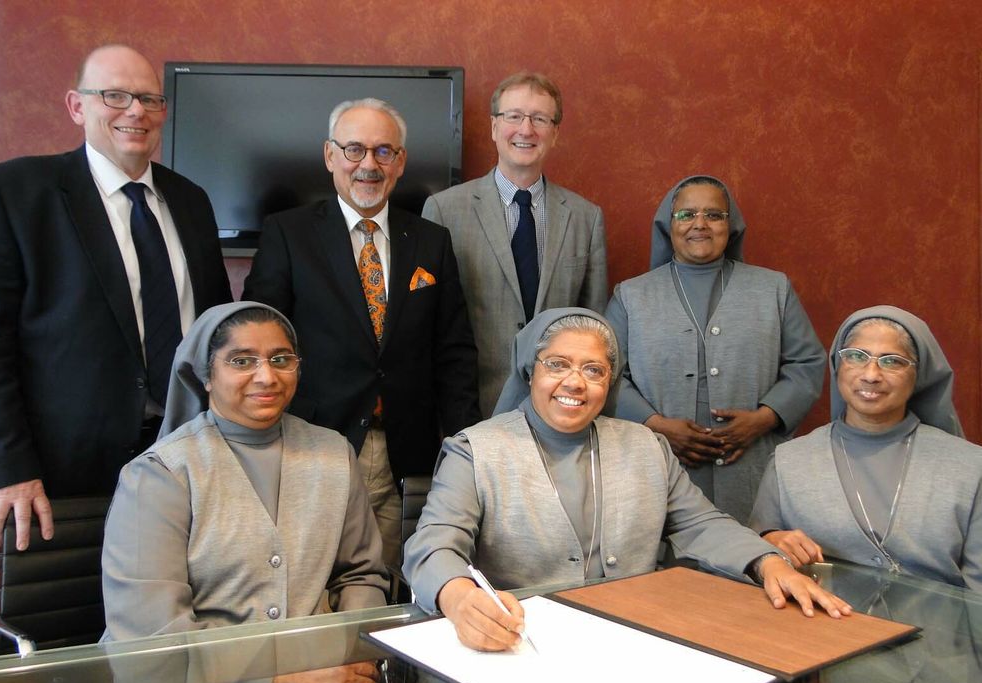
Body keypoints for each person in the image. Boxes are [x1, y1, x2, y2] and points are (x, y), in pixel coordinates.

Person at [403, 308, 849, 653]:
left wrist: (767, 562)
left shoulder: (646, 446)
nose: (575, 383)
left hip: (635, 640)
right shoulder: (475, 449)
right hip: (522, 646)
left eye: (593, 370)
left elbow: (702, 525)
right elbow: (433, 547)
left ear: (609, 382)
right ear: (530, 371)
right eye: (557, 364)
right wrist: (459, 598)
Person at [0, 44, 231, 551]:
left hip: (184, 468)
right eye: (115, 95)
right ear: (76, 106)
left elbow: (210, 334)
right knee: (62, 626)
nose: (136, 111)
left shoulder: (191, 201)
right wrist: (7, 468)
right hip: (51, 481)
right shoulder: (10, 193)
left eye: (150, 99)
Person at [96, 301, 392, 683]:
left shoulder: (334, 454)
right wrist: (282, 681)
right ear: (206, 374)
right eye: (241, 360)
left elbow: (360, 574)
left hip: (321, 681)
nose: (266, 376)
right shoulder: (159, 476)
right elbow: (153, 640)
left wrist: (348, 654)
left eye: (281, 359)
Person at [243, 98, 480, 570]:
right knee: (310, 580)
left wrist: (463, 452)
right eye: (354, 150)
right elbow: (258, 346)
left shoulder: (431, 241)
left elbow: (453, 353)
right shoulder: (287, 233)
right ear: (330, 156)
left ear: (401, 161)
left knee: (390, 586)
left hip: (405, 452)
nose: (368, 165)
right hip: (311, 446)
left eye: (383, 151)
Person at [606, 175, 824, 522]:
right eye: (687, 214)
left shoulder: (773, 288)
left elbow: (808, 363)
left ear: (730, 224)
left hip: (751, 467)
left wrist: (763, 419)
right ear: (669, 225)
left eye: (714, 215)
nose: (700, 224)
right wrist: (657, 425)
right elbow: (606, 374)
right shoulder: (631, 296)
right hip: (660, 464)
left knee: (753, 561)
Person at [750, 306, 982, 590]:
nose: (871, 374)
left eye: (892, 361)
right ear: (837, 366)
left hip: (943, 632)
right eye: (856, 357)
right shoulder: (788, 461)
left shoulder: (971, 467)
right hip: (820, 627)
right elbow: (756, 554)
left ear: (919, 374)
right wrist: (769, 542)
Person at [422, 71, 607, 416]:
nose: (526, 129)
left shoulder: (586, 218)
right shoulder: (444, 210)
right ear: (494, 127)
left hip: (560, 408)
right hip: (472, 406)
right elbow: (429, 323)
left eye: (539, 118)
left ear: (555, 133)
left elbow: (594, 326)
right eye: (514, 116)